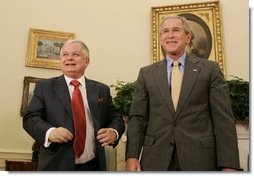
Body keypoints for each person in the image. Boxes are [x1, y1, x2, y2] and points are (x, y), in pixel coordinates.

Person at [125, 15, 241, 171]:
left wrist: (229, 164)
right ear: (160, 39)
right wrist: (132, 156)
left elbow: (223, 120)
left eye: (176, 30)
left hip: (199, 159)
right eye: (165, 31)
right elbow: (138, 118)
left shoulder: (209, 70)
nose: (170, 35)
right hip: (156, 159)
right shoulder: (147, 73)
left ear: (188, 37)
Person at [23, 40, 125, 171]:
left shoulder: (101, 89)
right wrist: (50, 132)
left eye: (75, 54)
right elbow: (30, 118)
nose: (69, 58)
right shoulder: (45, 87)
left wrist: (114, 132)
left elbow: (116, 118)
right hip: (56, 166)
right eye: (65, 54)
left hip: (93, 167)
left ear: (86, 61)